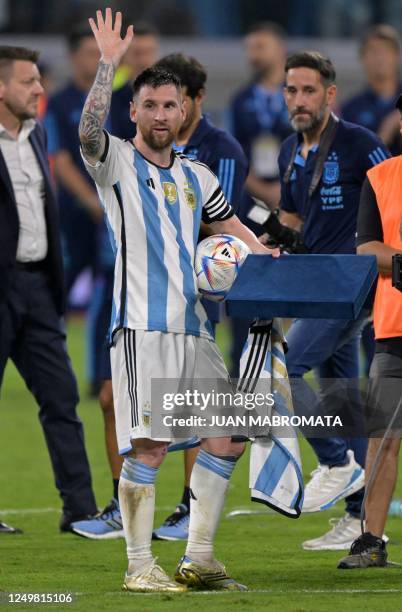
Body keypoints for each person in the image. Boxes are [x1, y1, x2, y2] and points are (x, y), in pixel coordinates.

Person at [79, 8, 277, 592]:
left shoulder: (197, 176)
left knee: (227, 435)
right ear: (134, 110)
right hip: (142, 327)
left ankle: (199, 557)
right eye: (150, 105)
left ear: (184, 109)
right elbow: (89, 132)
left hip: (195, 328)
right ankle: (140, 566)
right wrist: (108, 65)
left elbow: (231, 226)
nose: (162, 114)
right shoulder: (114, 160)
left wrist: (265, 257)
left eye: (171, 105)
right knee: (151, 445)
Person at [273, 51, 390, 551]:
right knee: (342, 394)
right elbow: (292, 220)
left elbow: (395, 197)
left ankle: (335, 461)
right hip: (316, 286)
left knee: (284, 368)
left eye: (308, 91)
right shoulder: (287, 151)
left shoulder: (361, 144)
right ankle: (356, 517)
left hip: (352, 285)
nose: (299, 100)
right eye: (291, 91)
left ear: (329, 95)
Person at [0, 45, 98, 533]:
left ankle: (79, 509)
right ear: (0, 88)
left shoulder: (38, 134)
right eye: (28, 81)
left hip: (38, 286)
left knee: (61, 399)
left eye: (39, 80)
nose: (39, 89)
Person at [45, 22, 134, 395]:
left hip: (114, 213)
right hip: (75, 215)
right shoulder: (61, 101)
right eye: (87, 52)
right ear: (71, 57)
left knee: (107, 290)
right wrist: (93, 201)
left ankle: (102, 374)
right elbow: (61, 160)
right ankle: (46, 360)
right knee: (56, 293)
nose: (92, 59)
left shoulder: (123, 93)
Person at [338, 94, 402, 569]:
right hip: (395, 327)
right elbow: (365, 247)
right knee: (383, 436)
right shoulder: (382, 177)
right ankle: (371, 540)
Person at [228, 22, 292, 378]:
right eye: (250, 48)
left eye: (260, 46)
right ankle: (242, 366)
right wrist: (267, 192)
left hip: (295, 207)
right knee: (245, 282)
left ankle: (285, 368)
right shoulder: (241, 100)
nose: (253, 55)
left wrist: (291, 197)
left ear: (280, 49)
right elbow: (236, 156)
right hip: (253, 206)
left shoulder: (298, 94)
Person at [341, 25, 402, 156]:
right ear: (362, 58)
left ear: (397, 57)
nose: (381, 57)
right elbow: (353, 161)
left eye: (387, 50)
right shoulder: (351, 109)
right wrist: (386, 132)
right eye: (374, 51)